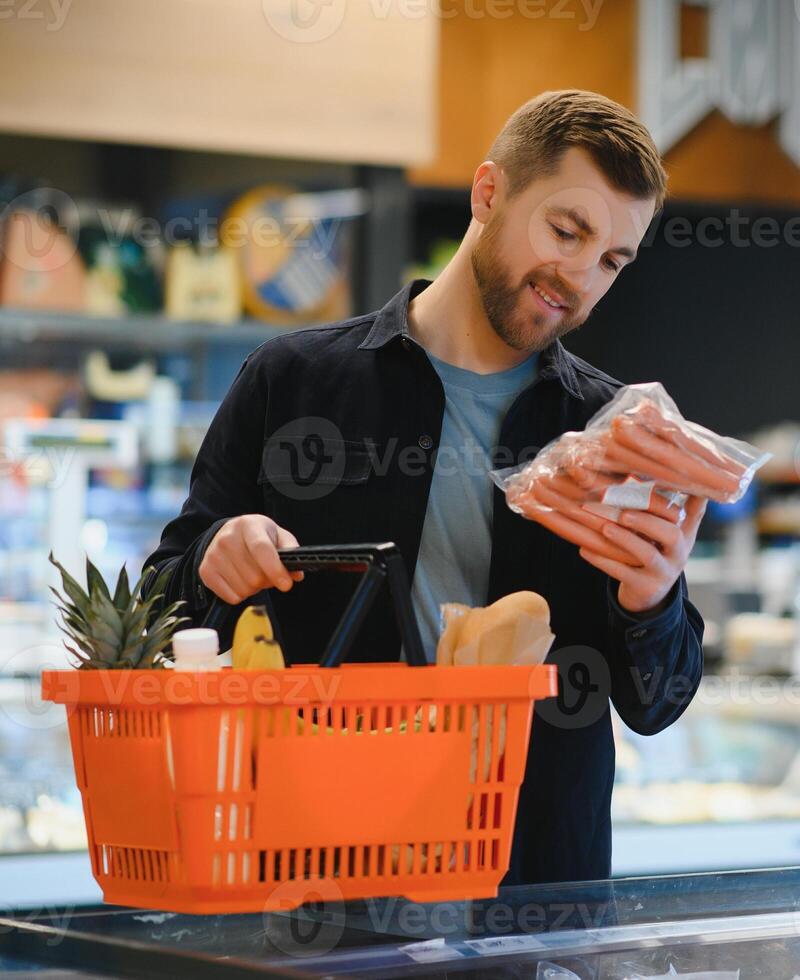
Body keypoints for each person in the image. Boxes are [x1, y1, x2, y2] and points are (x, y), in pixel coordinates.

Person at [144, 90, 706, 885]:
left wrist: (652, 600)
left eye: (612, 260)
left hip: (533, 894)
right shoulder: (294, 380)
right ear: (488, 194)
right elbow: (157, 602)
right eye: (566, 230)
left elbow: (660, 704)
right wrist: (214, 553)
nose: (580, 275)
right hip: (323, 884)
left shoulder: (614, 431)